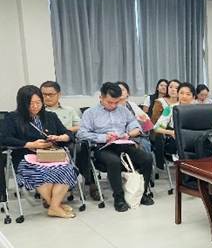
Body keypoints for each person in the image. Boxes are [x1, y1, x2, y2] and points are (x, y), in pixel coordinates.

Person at [0, 85, 77, 218]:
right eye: (30, 104)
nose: (35, 106)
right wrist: (30, 144)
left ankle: (54, 206)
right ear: (22, 103)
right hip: (25, 157)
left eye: (38, 102)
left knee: (68, 169)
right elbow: (5, 138)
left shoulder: (50, 116)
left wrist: (60, 137)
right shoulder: (12, 117)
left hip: (50, 155)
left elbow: (68, 134)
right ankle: (55, 205)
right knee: (41, 173)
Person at [78, 82, 154, 212]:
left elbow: (136, 126)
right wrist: (103, 137)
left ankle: (141, 193)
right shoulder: (90, 113)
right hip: (103, 147)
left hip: (123, 144)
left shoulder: (124, 111)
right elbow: (81, 134)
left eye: (116, 102)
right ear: (101, 97)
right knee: (114, 161)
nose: (113, 105)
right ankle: (119, 198)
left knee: (147, 158)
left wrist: (128, 134)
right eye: (109, 102)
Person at [154, 82, 195, 156]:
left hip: (194, 138)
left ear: (193, 97)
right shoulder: (170, 108)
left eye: (188, 94)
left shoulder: (197, 109)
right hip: (176, 139)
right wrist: (171, 132)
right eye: (181, 93)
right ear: (178, 94)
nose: (184, 96)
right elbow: (156, 128)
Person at [116, 81, 152, 153]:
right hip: (118, 136)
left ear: (128, 93)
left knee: (144, 144)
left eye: (122, 90)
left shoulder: (132, 105)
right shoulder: (111, 106)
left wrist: (140, 122)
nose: (120, 92)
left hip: (134, 135)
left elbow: (147, 122)